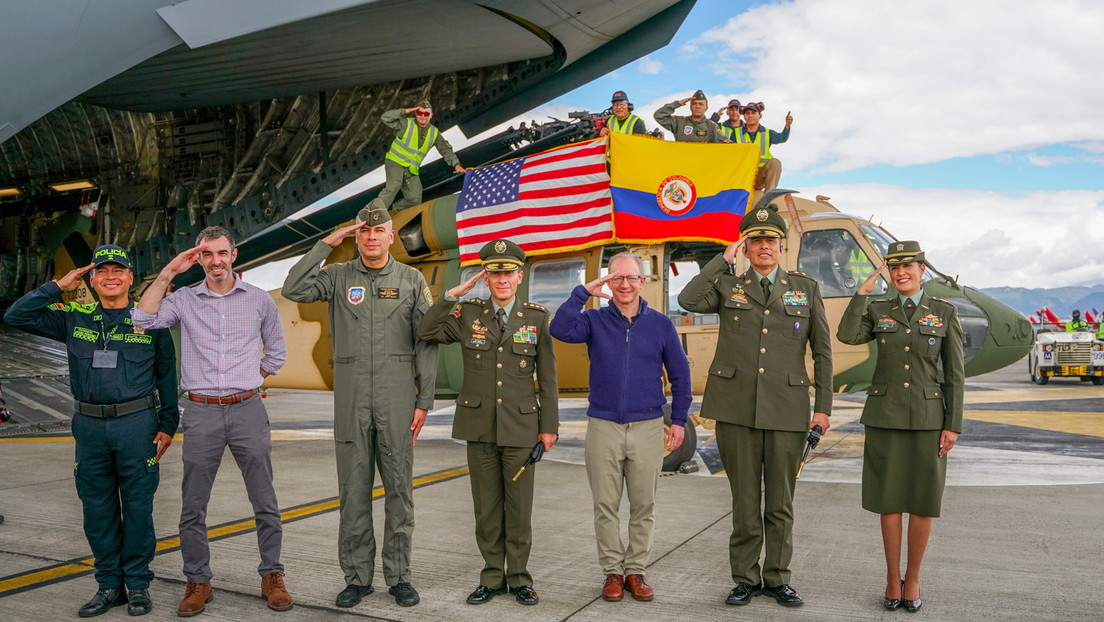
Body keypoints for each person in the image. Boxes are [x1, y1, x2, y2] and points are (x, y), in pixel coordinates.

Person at [4, 244, 178, 617]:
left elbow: (166, 374)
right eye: (102, 271)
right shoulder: (74, 317)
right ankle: (108, 586)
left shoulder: (149, 320)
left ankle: (138, 585)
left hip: (137, 426)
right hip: (89, 427)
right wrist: (57, 286)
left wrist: (169, 424)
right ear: (93, 279)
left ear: (131, 279)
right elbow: (16, 316)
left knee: (137, 509)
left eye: (118, 270)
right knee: (97, 511)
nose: (110, 276)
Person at [281, 206, 437, 608]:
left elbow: (426, 341)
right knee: (353, 492)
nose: (371, 237)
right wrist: (324, 244)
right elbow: (294, 289)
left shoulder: (411, 279)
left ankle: (399, 577)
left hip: (397, 400)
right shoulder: (336, 277)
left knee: (400, 491)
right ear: (356, 237)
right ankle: (357, 578)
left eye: (378, 231)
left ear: (390, 236)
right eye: (363, 232)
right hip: (351, 402)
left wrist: (424, 401)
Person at [677, 205, 832, 608]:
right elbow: (688, 298)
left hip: (787, 407)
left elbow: (823, 353)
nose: (764, 247)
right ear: (745, 247)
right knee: (745, 501)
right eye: (755, 240)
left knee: (780, 502)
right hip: (735, 408)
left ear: (781, 247)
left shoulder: (806, 288)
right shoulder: (728, 286)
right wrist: (721, 260)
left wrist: (824, 408)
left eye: (771, 241)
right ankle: (744, 578)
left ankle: (777, 578)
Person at [132, 227, 291, 616]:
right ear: (199, 260)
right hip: (201, 411)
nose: (216, 260)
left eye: (222, 252)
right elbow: (140, 318)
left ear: (233, 255)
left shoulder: (258, 300)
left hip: (247, 408)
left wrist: (248, 381)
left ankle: (272, 574)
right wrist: (169, 273)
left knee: (265, 499)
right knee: (193, 505)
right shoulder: (184, 300)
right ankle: (198, 580)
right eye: (207, 255)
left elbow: (276, 352)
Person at [417, 239, 558, 607]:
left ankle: (520, 578)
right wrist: (450, 295)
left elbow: (549, 378)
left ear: (519, 275)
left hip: (521, 427)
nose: (502, 280)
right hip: (479, 425)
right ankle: (492, 577)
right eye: (495, 273)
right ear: (486, 276)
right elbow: (426, 331)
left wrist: (549, 427)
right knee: (487, 510)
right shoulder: (468, 313)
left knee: (519, 510)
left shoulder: (536, 317)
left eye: (508, 273)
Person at [548, 252, 691, 603]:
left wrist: (680, 419)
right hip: (603, 426)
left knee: (644, 505)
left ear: (642, 282)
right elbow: (559, 328)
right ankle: (612, 571)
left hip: (647, 425)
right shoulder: (594, 321)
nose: (624, 285)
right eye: (617, 278)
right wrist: (583, 292)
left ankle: (636, 571)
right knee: (605, 505)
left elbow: (680, 374)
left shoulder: (660, 325)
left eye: (631, 278)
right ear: (608, 283)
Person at [835, 240, 964, 613]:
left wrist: (952, 424)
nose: (901, 273)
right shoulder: (878, 309)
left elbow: (954, 374)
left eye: (908, 266)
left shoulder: (943, 312)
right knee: (888, 502)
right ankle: (893, 579)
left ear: (922, 269)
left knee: (922, 502)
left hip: (928, 421)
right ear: (888, 273)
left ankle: (915, 579)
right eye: (894, 267)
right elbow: (848, 334)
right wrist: (860, 295)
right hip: (884, 418)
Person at [367, 99, 465, 212]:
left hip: (411, 169)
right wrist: (406, 111)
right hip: (395, 162)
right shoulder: (406, 124)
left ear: (431, 115)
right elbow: (385, 118)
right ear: (416, 113)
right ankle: (372, 215)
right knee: (393, 186)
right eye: (420, 113)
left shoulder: (434, 133)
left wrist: (456, 165)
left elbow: (446, 150)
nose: (422, 116)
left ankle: (395, 211)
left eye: (426, 114)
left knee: (415, 199)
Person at [734, 103, 792, 191]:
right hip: (742, 177)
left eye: (753, 113)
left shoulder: (768, 133)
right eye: (747, 113)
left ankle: (768, 197)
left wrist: (787, 126)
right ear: (744, 116)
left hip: (760, 177)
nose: (750, 116)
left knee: (775, 163)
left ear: (760, 116)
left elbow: (782, 138)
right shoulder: (735, 133)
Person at [653, 90, 730, 143]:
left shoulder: (712, 126)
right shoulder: (679, 122)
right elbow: (659, 116)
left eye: (701, 104)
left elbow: (727, 146)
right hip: (681, 164)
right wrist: (677, 104)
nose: (697, 106)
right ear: (690, 107)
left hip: (702, 164)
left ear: (706, 108)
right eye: (694, 103)